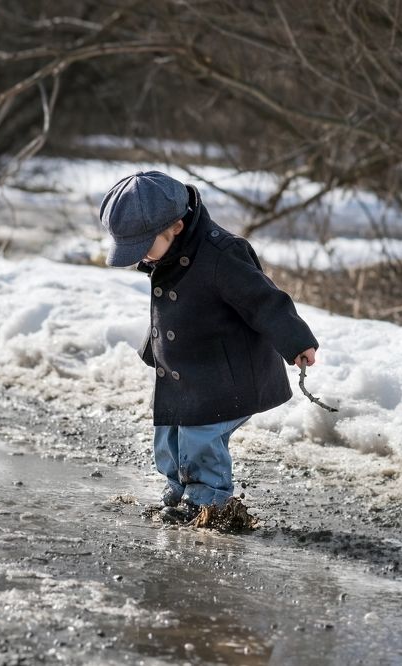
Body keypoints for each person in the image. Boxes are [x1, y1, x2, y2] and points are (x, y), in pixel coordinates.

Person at [99, 171, 318, 518]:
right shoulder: (169, 252)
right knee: (167, 432)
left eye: (143, 247)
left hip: (225, 373)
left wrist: (296, 340)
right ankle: (179, 488)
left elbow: (264, 300)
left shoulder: (222, 253)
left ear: (176, 227)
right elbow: (171, 308)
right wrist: (152, 349)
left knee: (200, 438)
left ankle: (208, 501)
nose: (142, 257)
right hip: (184, 368)